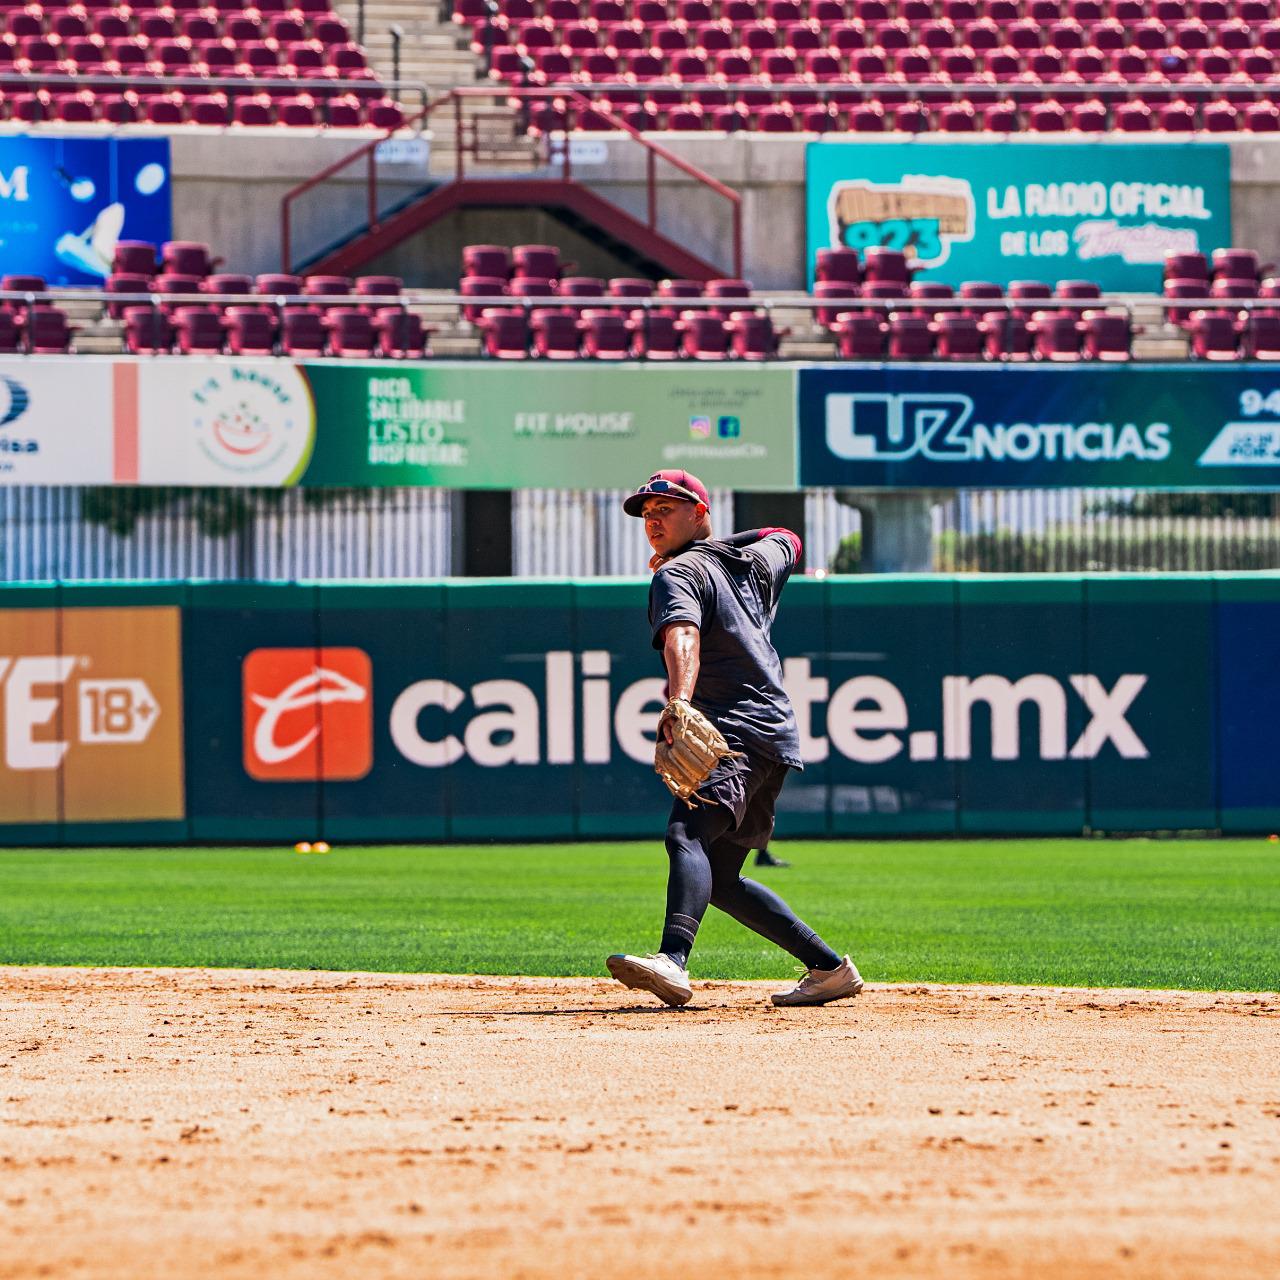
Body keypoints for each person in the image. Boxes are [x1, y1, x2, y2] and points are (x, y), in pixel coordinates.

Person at [605, 469, 864, 1009]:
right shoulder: (748, 562)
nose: (652, 520)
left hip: (733, 729)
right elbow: (787, 537)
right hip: (774, 732)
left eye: (666, 509)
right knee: (720, 877)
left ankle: (672, 960)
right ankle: (827, 968)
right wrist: (721, 542)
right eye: (646, 514)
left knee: (686, 834)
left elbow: (682, 635)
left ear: (700, 511)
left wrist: (679, 699)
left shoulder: (676, 576)